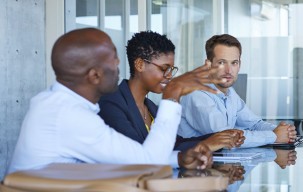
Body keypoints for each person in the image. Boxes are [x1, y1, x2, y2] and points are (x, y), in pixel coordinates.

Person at [8, 28, 225, 173]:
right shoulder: (67, 115)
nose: (119, 65)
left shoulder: (57, 106)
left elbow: (134, 158)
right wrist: (173, 94)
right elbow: (146, 163)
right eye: (113, 60)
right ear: (94, 75)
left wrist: (179, 159)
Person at [98, 31, 244, 154]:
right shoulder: (111, 104)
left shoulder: (150, 107)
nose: (169, 75)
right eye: (164, 68)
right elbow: (139, 154)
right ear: (140, 64)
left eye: (171, 70)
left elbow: (174, 143)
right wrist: (171, 96)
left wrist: (218, 138)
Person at [178, 34, 297, 147]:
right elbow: (225, 137)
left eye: (234, 63)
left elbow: (254, 124)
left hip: (221, 163)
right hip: (195, 166)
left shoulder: (229, 92)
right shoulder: (197, 94)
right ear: (208, 65)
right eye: (221, 62)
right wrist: (274, 136)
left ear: (239, 65)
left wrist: (283, 132)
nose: (229, 70)